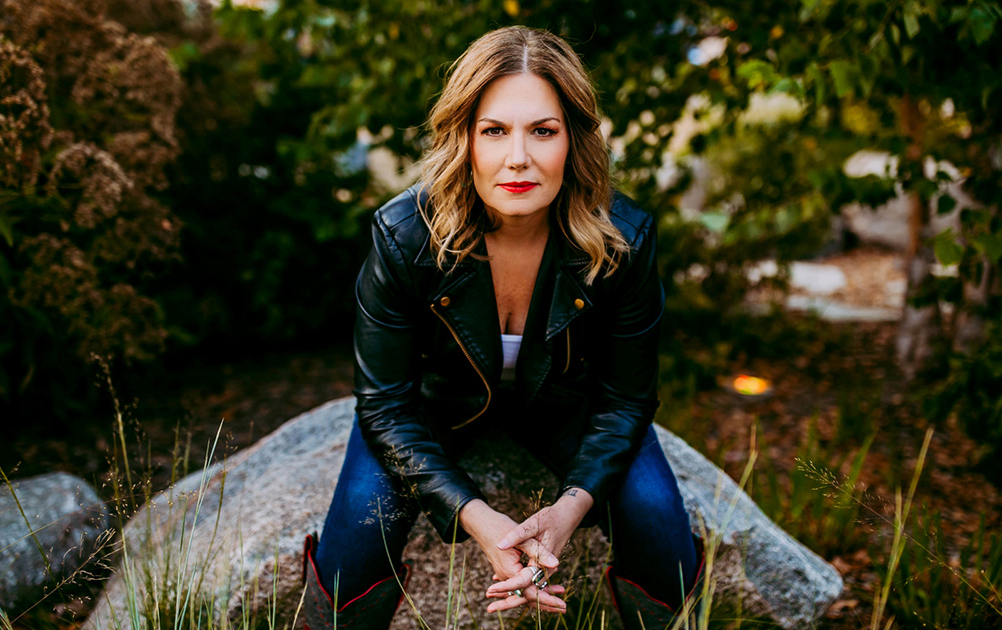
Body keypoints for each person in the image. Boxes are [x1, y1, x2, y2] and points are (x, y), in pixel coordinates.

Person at [301, 26, 702, 630]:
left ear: (573, 141)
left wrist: (569, 510)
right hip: (434, 409)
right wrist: (477, 516)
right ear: (465, 137)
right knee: (356, 540)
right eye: (495, 131)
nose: (519, 157)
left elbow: (626, 401)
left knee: (661, 531)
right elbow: (384, 403)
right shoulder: (405, 236)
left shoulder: (625, 240)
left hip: (571, 410)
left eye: (543, 131)